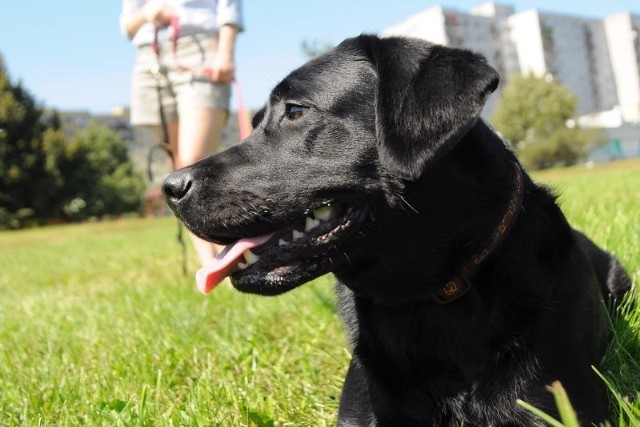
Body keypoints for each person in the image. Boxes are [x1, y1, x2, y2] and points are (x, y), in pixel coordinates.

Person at [120, 0, 243, 266]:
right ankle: (211, 266)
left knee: (194, 161)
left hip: (200, 47)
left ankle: (227, 257)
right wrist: (145, 13)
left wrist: (225, 51)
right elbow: (127, 26)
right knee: (176, 172)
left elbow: (229, 6)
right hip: (148, 57)